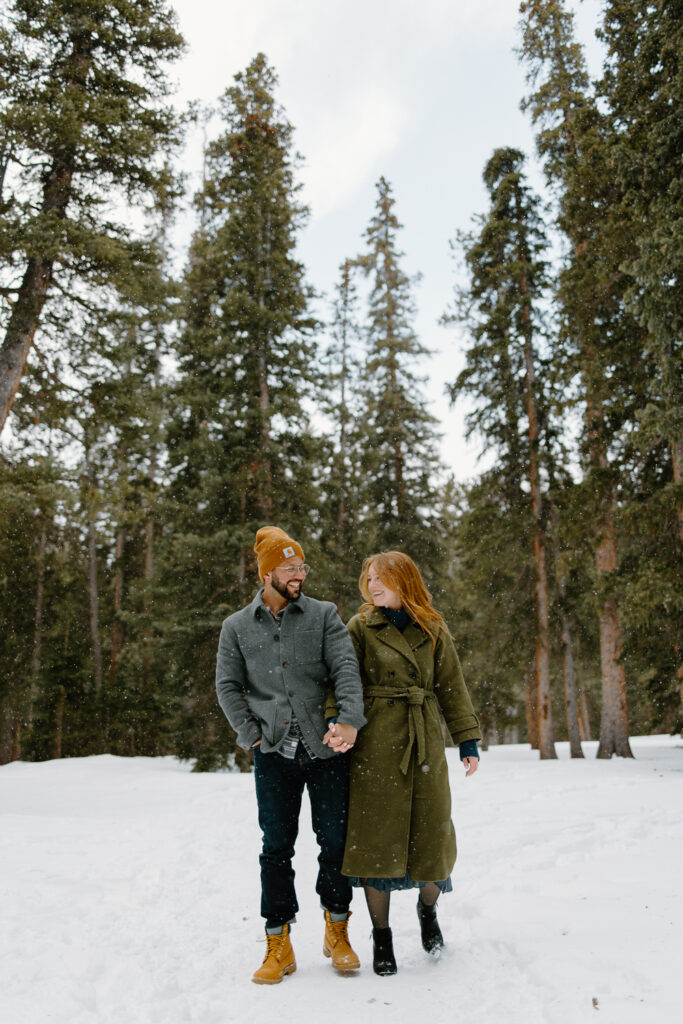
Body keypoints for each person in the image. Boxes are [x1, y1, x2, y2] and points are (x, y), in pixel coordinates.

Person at [215, 526, 366, 985]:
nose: (298, 574)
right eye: (289, 568)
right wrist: (252, 735)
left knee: (335, 844)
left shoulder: (323, 615)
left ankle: (337, 930)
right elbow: (227, 686)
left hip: (326, 751)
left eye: (301, 566)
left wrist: (350, 720)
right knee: (275, 849)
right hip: (273, 755)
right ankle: (277, 942)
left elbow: (345, 668)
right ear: (267, 573)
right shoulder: (237, 626)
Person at [324, 551, 481, 976]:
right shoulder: (360, 627)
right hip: (375, 743)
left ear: (404, 581)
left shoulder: (433, 628)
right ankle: (382, 936)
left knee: (432, 834)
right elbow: (342, 679)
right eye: (369, 578)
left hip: (424, 739)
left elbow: (452, 686)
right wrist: (336, 721)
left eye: (382, 578)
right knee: (378, 839)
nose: (373, 585)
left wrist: (466, 739)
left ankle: (428, 911)